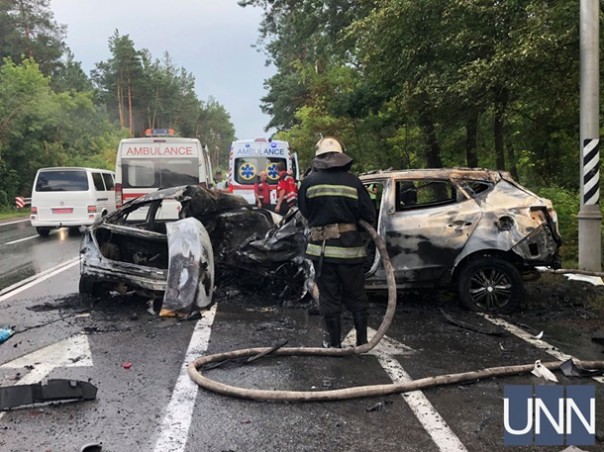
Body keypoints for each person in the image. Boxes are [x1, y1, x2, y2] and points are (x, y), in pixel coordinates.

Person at [298, 137, 376, 348]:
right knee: (356, 296)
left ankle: (334, 344)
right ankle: (362, 342)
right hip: (350, 251)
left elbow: (305, 211)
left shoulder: (309, 182)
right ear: (342, 156)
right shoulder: (354, 182)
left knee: (329, 297)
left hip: (322, 253)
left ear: (318, 158)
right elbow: (368, 214)